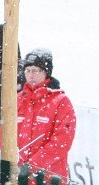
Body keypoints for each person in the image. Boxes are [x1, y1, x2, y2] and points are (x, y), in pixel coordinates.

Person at [14, 48, 76, 178]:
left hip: (48, 179)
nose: (31, 75)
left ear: (46, 72)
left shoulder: (61, 102)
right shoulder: (17, 100)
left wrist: (33, 165)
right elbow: (4, 136)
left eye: (36, 71)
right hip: (16, 176)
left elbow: (61, 142)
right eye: (27, 70)